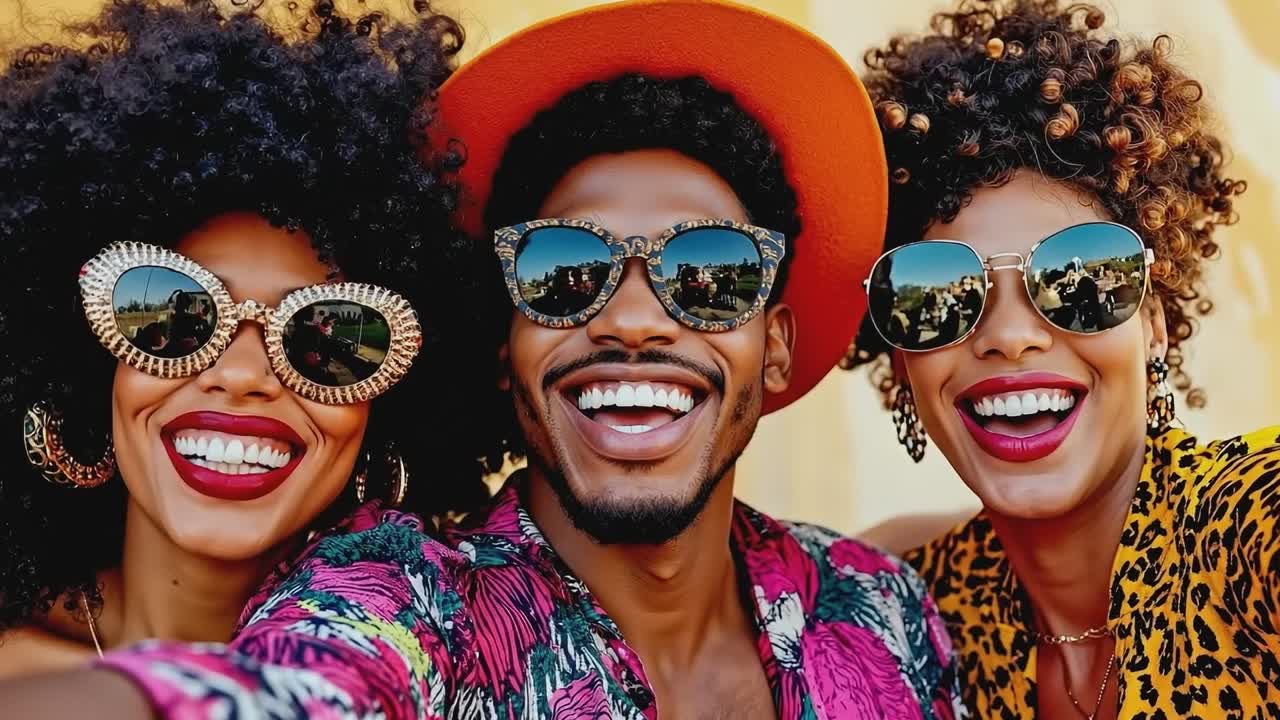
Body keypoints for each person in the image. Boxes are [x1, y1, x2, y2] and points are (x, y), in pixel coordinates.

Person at [0, 2, 963, 718]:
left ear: (779, 346)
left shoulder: (882, 604)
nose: (633, 319)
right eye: (561, 270)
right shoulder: (405, 592)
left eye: (707, 271)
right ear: (501, 350)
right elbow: (288, 683)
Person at [0, 0, 494, 680]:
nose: (241, 374)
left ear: (389, 407)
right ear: (92, 362)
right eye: (172, 312)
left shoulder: (454, 684)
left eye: (331, 334)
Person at [843, 1, 1275, 718]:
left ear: (1156, 324)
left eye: (1082, 275)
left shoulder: (1238, 534)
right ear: (899, 362)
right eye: (942, 293)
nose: (1011, 336)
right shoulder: (914, 614)